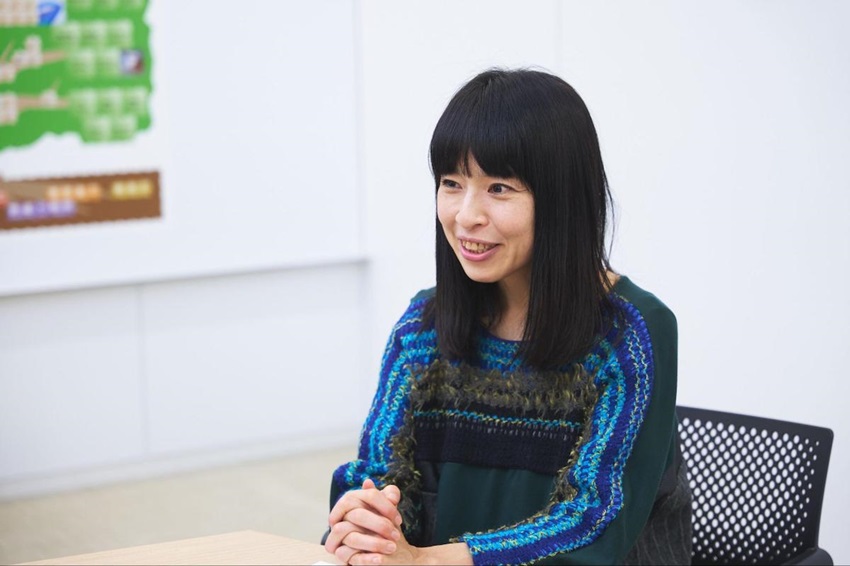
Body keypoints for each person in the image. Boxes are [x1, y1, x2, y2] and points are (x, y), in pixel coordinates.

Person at [323, 68, 692, 565]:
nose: (466, 215)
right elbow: (379, 474)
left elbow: (592, 522)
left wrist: (427, 561)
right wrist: (369, 521)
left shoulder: (629, 333)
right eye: (451, 183)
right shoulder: (423, 328)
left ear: (562, 199)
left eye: (498, 188)